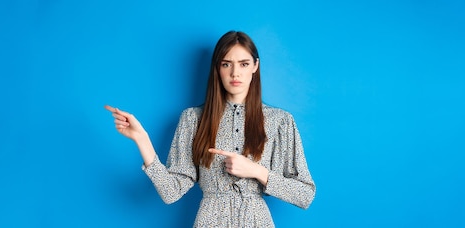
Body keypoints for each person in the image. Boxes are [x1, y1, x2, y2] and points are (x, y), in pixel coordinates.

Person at [104, 31, 315, 227]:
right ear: (217, 67)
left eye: (243, 64)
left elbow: (305, 194)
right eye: (226, 64)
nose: (235, 73)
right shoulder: (193, 119)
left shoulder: (280, 121)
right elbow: (171, 192)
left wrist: (256, 171)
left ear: (255, 66)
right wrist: (143, 140)